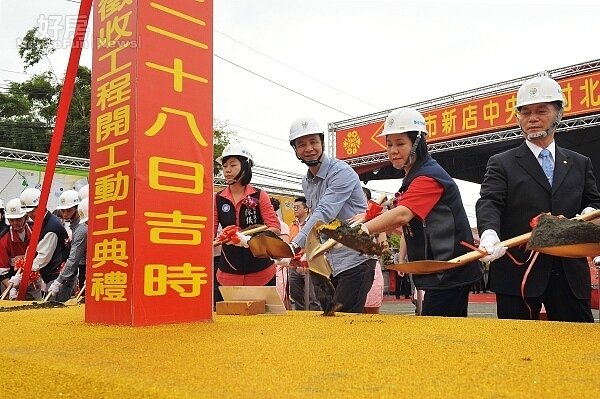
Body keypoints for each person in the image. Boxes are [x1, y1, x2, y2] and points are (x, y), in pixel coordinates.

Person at [476, 75, 600, 322]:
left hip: (569, 273)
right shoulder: (502, 163)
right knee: (516, 349)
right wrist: (489, 232)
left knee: (575, 347)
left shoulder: (579, 162)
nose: (532, 118)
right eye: (525, 112)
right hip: (518, 273)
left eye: (541, 111)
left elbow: (595, 203)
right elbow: (490, 201)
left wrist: (585, 217)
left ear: (558, 114)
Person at [360, 107, 481, 317]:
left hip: (449, 270)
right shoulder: (413, 178)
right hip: (437, 270)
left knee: (440, 336)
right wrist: (372, 219)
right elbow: (404, 224)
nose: (393, 151)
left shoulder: (428, 177)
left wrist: (361, 229)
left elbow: (402, 214)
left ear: (418, 143)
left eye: (400, 144)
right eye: (389, 144)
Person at [287, 116, 375, 313]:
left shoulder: (340, 171)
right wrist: (306, 250)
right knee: (334, 325)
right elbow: (317, 221)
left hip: (357, 258)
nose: (309, 148)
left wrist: (295, 244)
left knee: (344, 320)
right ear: (295, 150)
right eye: (302, 144)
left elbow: (325, 212)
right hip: (331, 262)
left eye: (313, 142)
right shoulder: (306, 181)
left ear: (322, 143)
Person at [213, 142, 281, 293]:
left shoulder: (259, 195)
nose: (227, 170)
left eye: (232, 165)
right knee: (227, 316)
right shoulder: (217, 198)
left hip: (261, 272)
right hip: (227, 274)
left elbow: (275, 227)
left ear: (245, 167)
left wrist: (249, 240)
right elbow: (210, 234)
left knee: (262, 316)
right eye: (224, 166)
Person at [18, 187, 69, 291]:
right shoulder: (43, 223)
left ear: (41, 206)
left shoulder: (51, 228)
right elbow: (33, 249)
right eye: (27, 213)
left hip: (57, 279)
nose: (30, 215)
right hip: (51, 276)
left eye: (32, 212)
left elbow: (42, 258)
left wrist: (20, 277)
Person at [0, 198, 43, 300]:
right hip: (9, 282)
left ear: (26, 217)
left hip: (33, 281)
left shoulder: (36, 232)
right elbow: (2, 272)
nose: (15, 223)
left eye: (18, 219)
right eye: (11, 220)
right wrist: (11, 289)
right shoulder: (4, 239)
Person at [47, 190, 86, 302]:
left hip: (84, 267)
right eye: (63, 210)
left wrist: (59, 281)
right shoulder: (75, 225)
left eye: (69, 210)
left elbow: (73, 259)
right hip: (81, 267)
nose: (64, 214)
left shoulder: (81, 228)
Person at [288, 196, 321, 311]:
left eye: (297, 207)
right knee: (296, 295)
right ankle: (301, 322)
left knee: (313, 297)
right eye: (294, 207)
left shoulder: (314, 224)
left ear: (306, 209)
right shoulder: (292, 225)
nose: (295, 209)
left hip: (310, 264)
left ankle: (316, 323)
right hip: (293, 265)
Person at [361, 187, 384, 314]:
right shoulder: (346, 219)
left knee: (372, 312)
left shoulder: (376, 220)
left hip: (371, 267)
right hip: (350, 271)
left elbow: (383, 247)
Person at [270, 197, 292, 308]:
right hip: (263, 266)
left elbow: (284, 249)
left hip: (277, 266)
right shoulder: (260, 224)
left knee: (277, 300)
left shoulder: (282, 225)